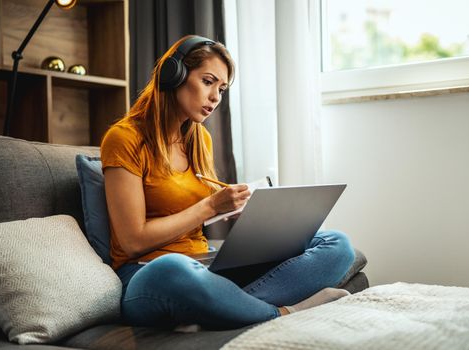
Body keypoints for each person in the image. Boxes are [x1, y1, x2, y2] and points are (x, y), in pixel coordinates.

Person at [101, 35, 356, 330]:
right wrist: (210, 206)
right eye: (208, 81)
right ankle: (280, 314)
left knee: (337, 244)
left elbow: (199, 212)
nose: (215, 97)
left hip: (205, 266)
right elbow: (132, 241)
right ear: (175, 75)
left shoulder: (199, 139)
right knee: (173, 269)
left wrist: (237, 210)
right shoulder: (124, 139)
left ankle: (224, 306)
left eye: (221, 89)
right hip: (149, 275)